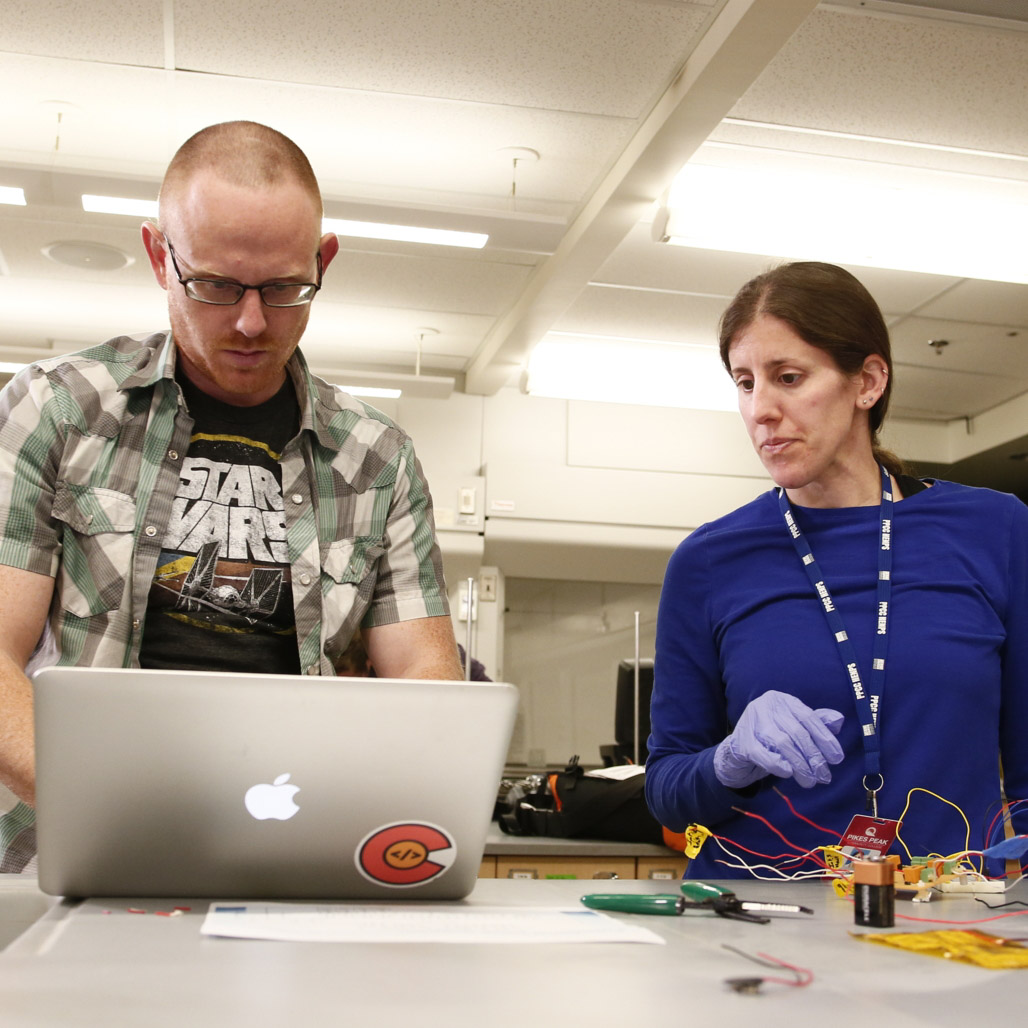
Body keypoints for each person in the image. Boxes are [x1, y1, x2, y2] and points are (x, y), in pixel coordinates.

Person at [0, 121, 463, 872]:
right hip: (79, 851)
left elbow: (426, 677)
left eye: (284, 288)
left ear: (324, 261)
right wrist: (122, 813)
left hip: (297, 849)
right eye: (215, 285)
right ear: (159, 256)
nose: (251, 322)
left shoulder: (378, 460)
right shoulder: (58, 410)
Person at [645, 261, 1028, 880]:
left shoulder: (995, 530)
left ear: (868, 381)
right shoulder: (709, 560)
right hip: (755, 921)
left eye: (788, 377)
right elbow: (666, 787)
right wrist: (730, 760)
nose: (760, 409)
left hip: (941, 925)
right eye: (744, 383)